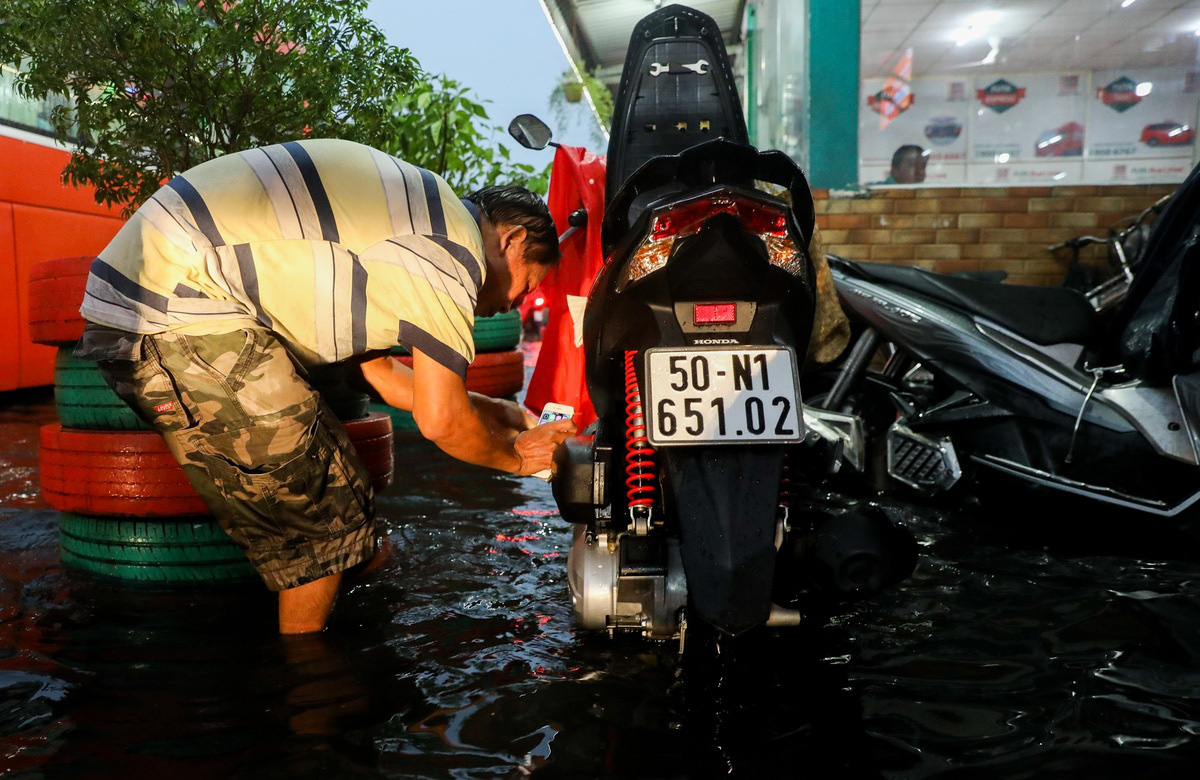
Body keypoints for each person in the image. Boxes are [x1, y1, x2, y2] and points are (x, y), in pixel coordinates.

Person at [73, 138, 577, 634]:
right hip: (173, 309)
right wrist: (518, 460)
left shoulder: (421, 219)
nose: (514, 305)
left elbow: (384, 376)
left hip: (155, 293)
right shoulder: (452, 247)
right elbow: (440, 422)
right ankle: (309, 693)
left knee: (344, 524)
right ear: (509, 240)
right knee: (325, 522)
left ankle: (344, 579)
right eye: (527, 285)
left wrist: (496, 413)